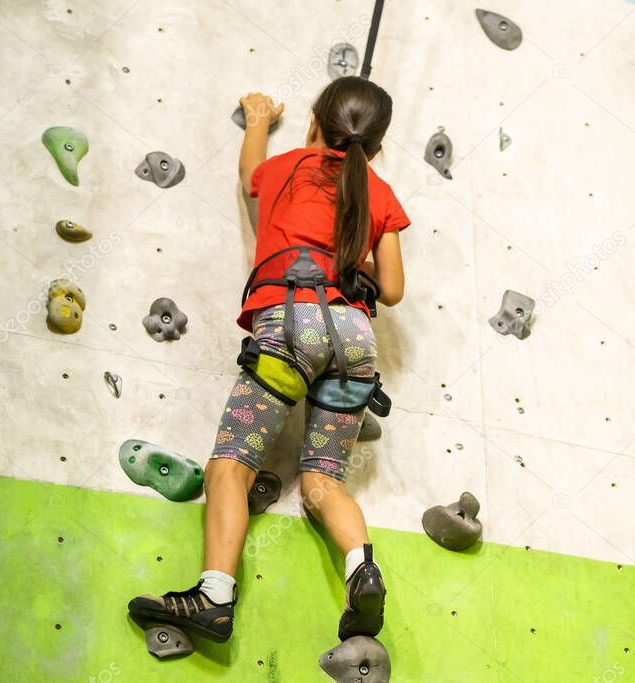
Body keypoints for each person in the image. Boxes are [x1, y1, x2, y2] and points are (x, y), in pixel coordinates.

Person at [128, 76, 409, 646]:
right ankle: (361, 567)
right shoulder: (380, 193)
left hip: (289, 324)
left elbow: (247, 173)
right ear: (375, 147)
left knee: (230, 465)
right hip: (354, 339)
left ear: (312, 124)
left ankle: (214, 597)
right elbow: (395, 289)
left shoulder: (288, 166)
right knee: (324, 480)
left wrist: (257, 118)